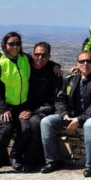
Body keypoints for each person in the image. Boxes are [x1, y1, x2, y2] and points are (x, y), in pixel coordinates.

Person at [40, 51, 91, 176]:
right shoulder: (70, 79)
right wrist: (64, 113)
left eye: (89, 61)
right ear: (77, 63)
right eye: (82, 61)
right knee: (46, 122)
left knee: (89, 125)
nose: (85, 64)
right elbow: (60, 99)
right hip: (71, 115)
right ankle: (52, 161)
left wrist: (80, 119)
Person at [0, 32, 33, 177]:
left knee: (26, 128)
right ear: (4, 44)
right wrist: (3, 108)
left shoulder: (25, 59)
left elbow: (42, 63)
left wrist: (55, 66)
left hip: (20, 105)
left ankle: (15, 157)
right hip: (0, 105)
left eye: (18, 43)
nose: (15, 47)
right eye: (11, 44)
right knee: (5, 128)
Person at [23, 42, 63, 170]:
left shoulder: (54, 73)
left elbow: (55, 97)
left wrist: (35, 111)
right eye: (37, 54)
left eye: (44, 55)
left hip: (44, 109)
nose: (40, 58)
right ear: (32, 54)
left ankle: (35, 159)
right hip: (25, 107)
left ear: (49, 56)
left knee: (34, 123)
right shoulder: (26, 65)